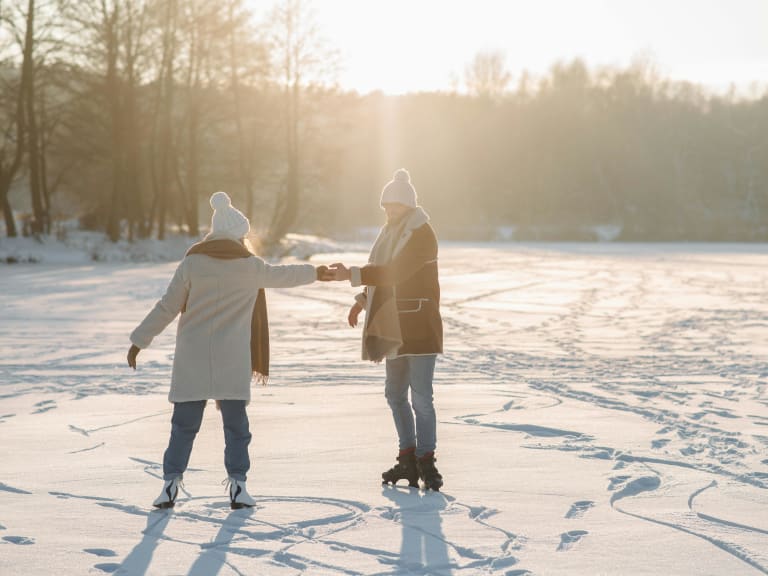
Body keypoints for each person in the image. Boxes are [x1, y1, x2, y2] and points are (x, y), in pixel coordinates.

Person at [127, 191, 336, 509]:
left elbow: (167, 306)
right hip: (231, 359)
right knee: (236, 426)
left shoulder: (192, 263)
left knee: (183, 425)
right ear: (239, 235)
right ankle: (238, 486)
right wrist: (317, 273)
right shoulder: (249, 266)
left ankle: (170, 484)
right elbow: (284, 275)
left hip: (192, 358)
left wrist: (139, 340)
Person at [331, 169, 444, 491]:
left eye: (395, 206)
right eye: (386, 207)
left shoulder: (422, 234)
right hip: (393, 323)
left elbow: (394, 273)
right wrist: (362, 300)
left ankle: (427, 461)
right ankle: (407, 457)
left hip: (420, 325)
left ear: (408, 206)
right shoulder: (389, 233)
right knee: (395, 393)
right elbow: (381, 271)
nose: (390, 212)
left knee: (421, 396)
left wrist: (350, 274)